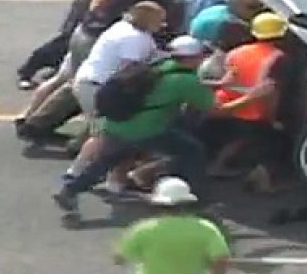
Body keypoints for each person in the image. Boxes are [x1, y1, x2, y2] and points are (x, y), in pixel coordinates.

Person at [15, 0, 178, 143]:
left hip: (87, 31)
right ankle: (67, 134)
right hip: (95, 39)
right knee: (90, 85)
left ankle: (36, 123)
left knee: (74, 81)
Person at [53, 35, 214, 223]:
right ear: (192, 58)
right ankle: (196, 197)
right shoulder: (186, 81)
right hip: (147, 130)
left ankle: (71, 189)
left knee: (106, 161)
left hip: (117, 125)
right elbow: (211, 106)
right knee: (192, 150)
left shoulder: (155, 69)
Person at [16, 0, 151, 90]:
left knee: (68, 59)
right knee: (63, 45)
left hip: (95, 16)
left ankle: (43, 72)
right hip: (93, 16)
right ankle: (28, 69)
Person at [66, 1, 167, 190]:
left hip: (88, 81)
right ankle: (76, 173)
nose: (163, 24)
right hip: (97, 87)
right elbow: (128, 71)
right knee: (103, 134)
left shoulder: (124, 28)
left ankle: (99, 175)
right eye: (159, 20)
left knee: (103, 132)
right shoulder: (134, 39)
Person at [202, 12, 295, 191]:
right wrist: (272, 118)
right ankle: (262, 182)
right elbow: (270, 92)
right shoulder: (279, 58)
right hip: (253, 110)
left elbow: (227, 79)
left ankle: (219, 166)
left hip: (225, 103)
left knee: (239, 140)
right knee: (268, 145)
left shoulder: (237, 52)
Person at [188, 0, 264, 47]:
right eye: (252, 7)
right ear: (237, 5)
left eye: (260, 5)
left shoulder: (219, 8)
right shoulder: (232, 25)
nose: (258, 10)